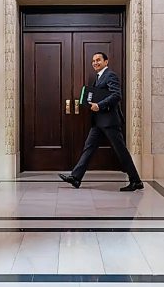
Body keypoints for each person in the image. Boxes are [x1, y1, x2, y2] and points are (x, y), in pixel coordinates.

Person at [58, 52, 144, 192]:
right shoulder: (98, 77)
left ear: (106, 61)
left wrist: (99, 105)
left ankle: (136, 181)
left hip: (110, 121)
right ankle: (76, 177)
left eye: (98, 60)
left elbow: (117, 95)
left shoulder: (110, 75)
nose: (95, 63)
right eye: (93, 60)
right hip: (98, 121)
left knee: (121, 151)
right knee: (89, 147)